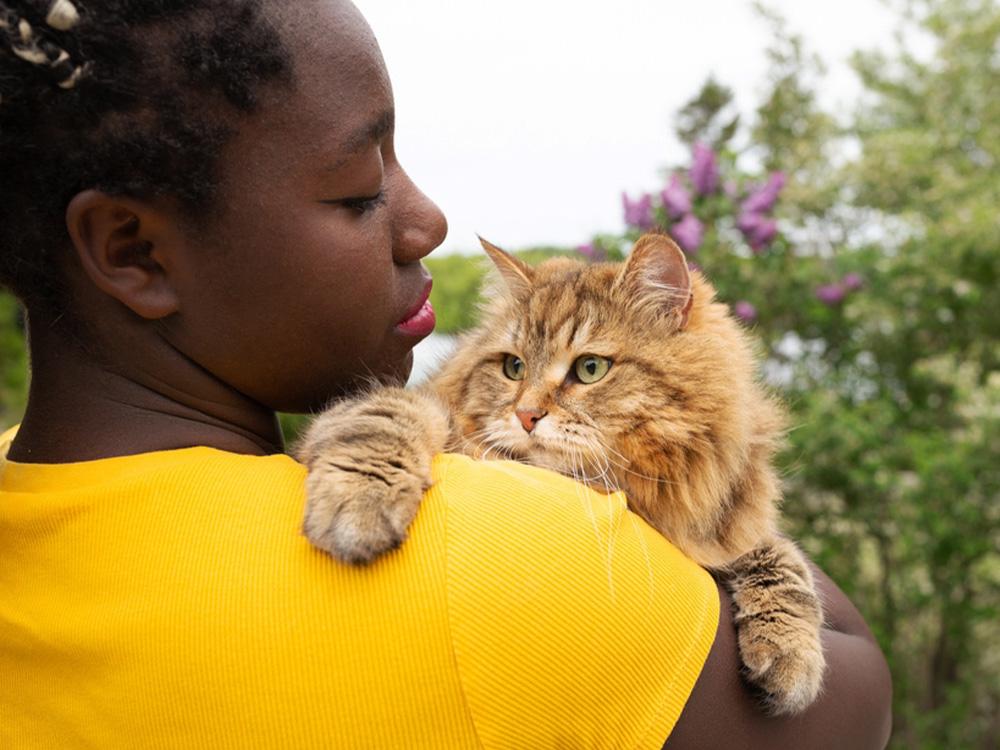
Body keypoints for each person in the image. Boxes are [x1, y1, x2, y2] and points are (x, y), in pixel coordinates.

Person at [0, 1, 892, 747]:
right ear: (133, 251)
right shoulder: (513, 555)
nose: (428, 219)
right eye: (358, 191)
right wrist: (729, 489)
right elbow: (857, 694)